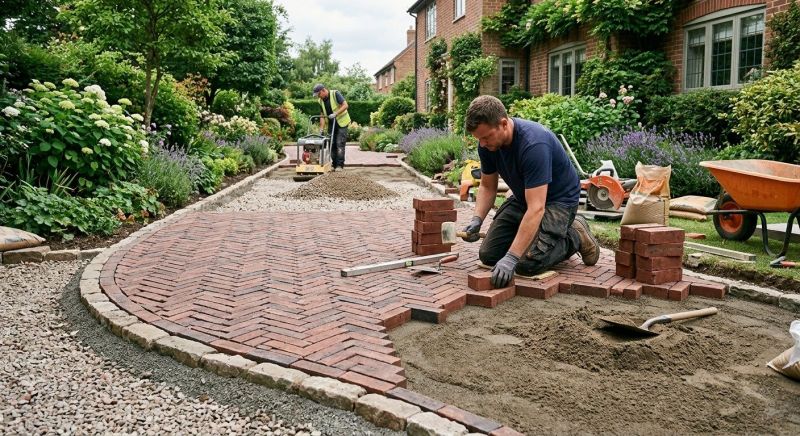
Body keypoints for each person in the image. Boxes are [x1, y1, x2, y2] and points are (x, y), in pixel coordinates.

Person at [461, 95, 600, 288]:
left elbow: (536, 208)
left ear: (503, 124)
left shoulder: (534, 144)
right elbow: (487, 186)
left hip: (558, 201)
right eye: (479, 139)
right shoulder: (488, 145)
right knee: (489, 255)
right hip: (524, 197)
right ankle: (531, 235)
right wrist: (477, 219)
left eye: (486, 137)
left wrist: (512, 256)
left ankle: (575, 235)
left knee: (527, 264)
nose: (482, 144)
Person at [313, 84, 350, 170]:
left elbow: (345, 105)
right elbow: (322, 115)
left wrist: (336, 113)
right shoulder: (320, 101)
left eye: (319, 94)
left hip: (342, 123)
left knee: (339, 143)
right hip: (331, 124)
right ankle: (334, 164)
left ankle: (340, 165)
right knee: (331, 144)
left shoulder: (335, 94)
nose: (318, 96)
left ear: (323, 90)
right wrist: (321, 129)